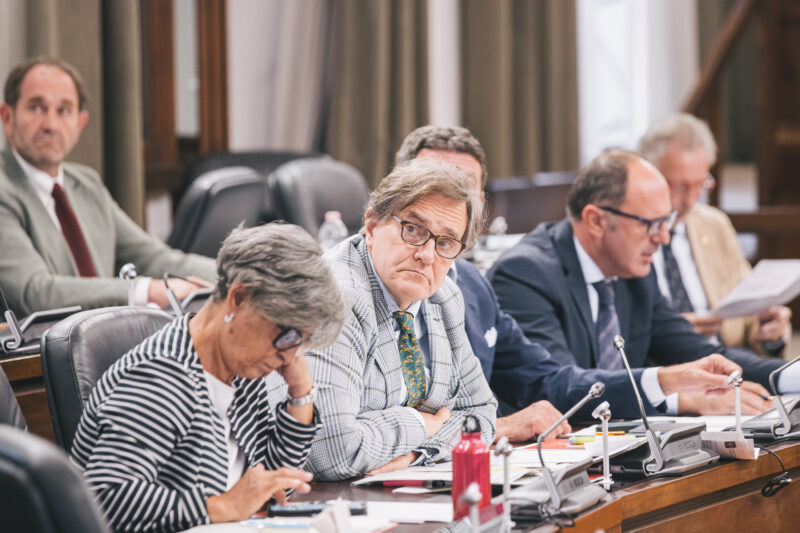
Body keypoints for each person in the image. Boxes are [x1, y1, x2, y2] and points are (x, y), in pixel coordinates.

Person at [396, 126, 761, 434]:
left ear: (480, 201)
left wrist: (665, 382)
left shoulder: (472, 285)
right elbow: (370, 426)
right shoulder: (521, 271)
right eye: (433, 181)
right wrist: (498, 428)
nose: (450, 198)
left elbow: (549, 382)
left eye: (464, 187)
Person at [71, 223, 348, 532]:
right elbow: (105, 498)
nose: (290, 357)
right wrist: (221, 506)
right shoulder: (160, 377)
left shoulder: (242, 373)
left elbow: (272, 489)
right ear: (239, 298)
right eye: (288, 336)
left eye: (300, 343)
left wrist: (301, 392)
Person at [487, 149, 798, 416]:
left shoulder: (632, 271)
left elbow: (697, 354)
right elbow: (559, 389)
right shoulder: (524, 273)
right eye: (651, 224)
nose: (663, 238)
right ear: (596, 220)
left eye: (667, 221)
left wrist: (790, 375)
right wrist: (682, 398)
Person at [304, 160, 497, 481]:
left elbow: (482, 415)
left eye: (445, 243)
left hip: (401, 488)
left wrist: (416, 454)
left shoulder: (444, 296)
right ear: (372, 227)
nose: (427, 255)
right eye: (413, 230)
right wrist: (422, 423)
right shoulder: (334, 296)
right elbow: (332, 451)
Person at [0, 57, 216, 316]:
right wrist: (145, 291)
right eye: (36, 108)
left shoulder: (87, 183)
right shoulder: (4, 189)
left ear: (80, 124)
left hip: (102, 336)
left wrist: (235, 273)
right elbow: (34, 292)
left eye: (63, 111)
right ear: (7, 117)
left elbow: (153, 258)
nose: (51, 125)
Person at [639, 113, 792, 358]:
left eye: (700, 184)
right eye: (679, 186)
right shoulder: (630, 232)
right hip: (663, 365)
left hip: (727, 358)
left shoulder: (713, 224)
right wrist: (671, 332)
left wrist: (770, 329)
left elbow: (749, 316)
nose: (690, 199)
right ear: (647, 176)